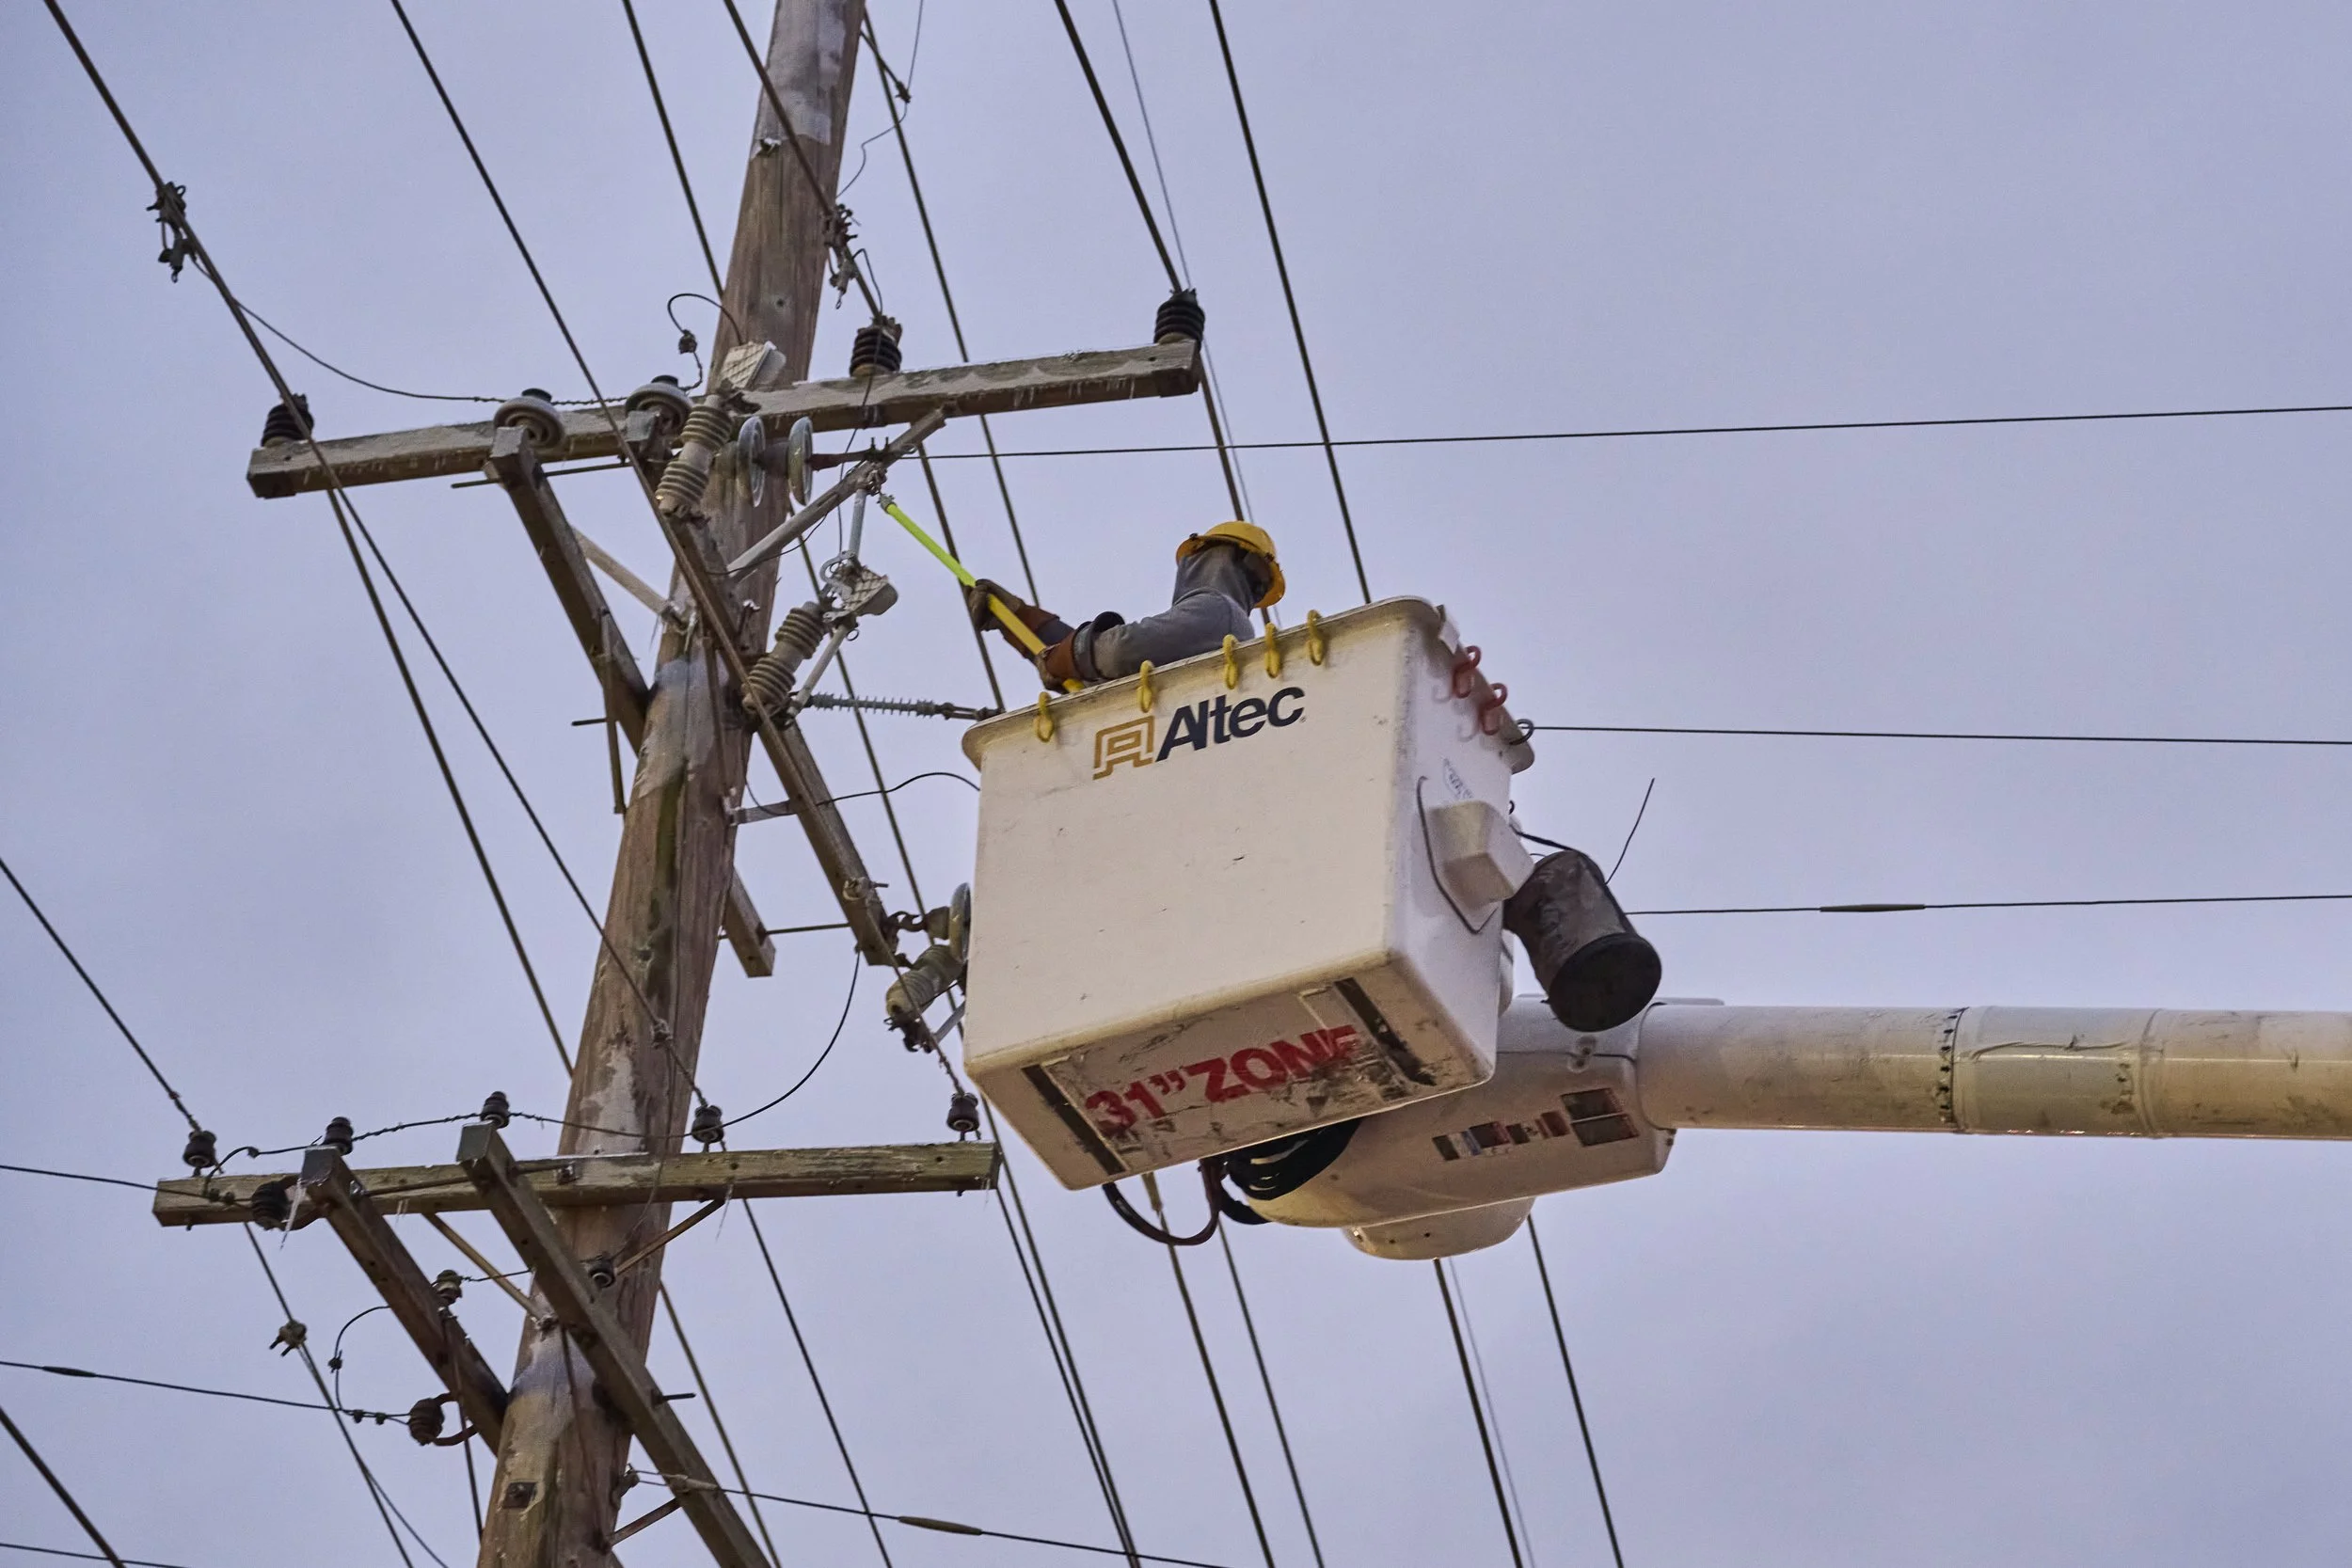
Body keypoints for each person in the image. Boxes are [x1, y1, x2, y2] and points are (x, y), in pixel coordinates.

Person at [967, 522, 1286, 689]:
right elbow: (1095, 675)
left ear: (1203, 555)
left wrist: (1057, 661)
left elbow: (1115, 651)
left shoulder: (1219, 611)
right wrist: (1021, 620)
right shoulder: (1213, 625)